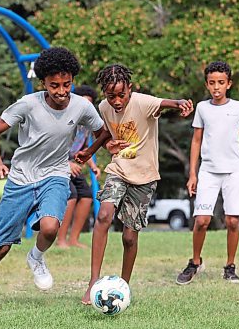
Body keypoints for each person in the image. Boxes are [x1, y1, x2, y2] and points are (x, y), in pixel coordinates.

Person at [0, 47, 105, 309]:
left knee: (50, 227)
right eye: (54, 85)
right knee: (1, 246)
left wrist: (88, 152)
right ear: (43, 83)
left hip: (55, 175)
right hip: (21, 179)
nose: (61, 91)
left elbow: (102, 132)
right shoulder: (28, 104)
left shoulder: (82, 105)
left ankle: (36, 257)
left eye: (67, 84)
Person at [75, 64, 194, 304]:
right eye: (111, 96)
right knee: (104, 216)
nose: (117, 101)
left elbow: (165, 103)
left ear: (130, 88)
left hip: (144, 177)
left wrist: (180, 102)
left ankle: (123, 286)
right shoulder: (104, 107)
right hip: (118, 170)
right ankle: (93, 281)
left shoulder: (142, 102)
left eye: (121, 95)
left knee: (129, 237)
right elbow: (107, 132)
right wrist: (89, 151)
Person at [176, 61, 239, 285]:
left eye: (221, 82)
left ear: (229, 84)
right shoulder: (202, 108)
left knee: (232, 221)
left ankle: (230, 267)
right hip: (208, 170)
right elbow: (196, 141)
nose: (216, 87)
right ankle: (195, 262)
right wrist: (193, 174)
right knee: (201, 220)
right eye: (212, 83)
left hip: (234, 172)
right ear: (207, 85)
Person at [56, 85, 101, 249]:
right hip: (56, 163)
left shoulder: (87, 124)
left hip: (72, 163)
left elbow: (81, 149)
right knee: (71, 196)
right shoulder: (64, 119)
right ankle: (61, 240)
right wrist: (67, 164)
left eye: (88, 104)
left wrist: (93, 165)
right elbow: (51, 147)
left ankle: (73, 239)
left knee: (87, 195)